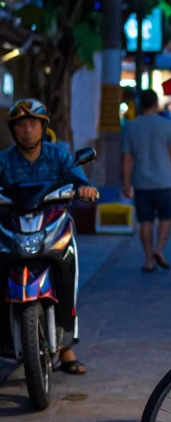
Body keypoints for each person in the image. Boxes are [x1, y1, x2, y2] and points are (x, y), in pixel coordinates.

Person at [0, 98, 98, 375]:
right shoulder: (3, 160)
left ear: (43, 128)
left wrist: (85, 189)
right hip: (11, 228)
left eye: (33, 124)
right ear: (13, 129)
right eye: (21, 125)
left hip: (53, 227)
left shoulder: (59, 156)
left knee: (68, 279)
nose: (27, 130)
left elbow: (79, 179)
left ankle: (66, 348)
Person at [122, 89, 171, 271]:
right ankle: (159, 249)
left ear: (140, 104)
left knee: (145, 221)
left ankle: (149, 259)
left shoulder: (131, 126)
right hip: (163, 180)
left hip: (141, 181)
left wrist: (126, 183)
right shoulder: (166, 125)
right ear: (156, 104)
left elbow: (127, 158)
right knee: (165, 218)